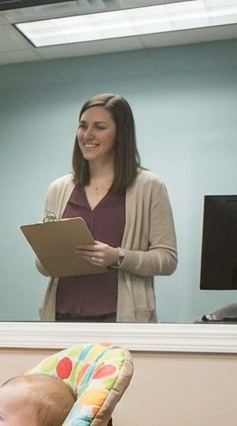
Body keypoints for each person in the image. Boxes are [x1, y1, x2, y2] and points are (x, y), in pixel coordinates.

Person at [37, 93, 177, 323]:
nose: (87, 135)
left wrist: (118, 257)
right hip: (61, 315)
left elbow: (167, 258)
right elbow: (44, 266)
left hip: (120, 318)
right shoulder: (58, 188)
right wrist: (48, 255)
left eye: (99, 127)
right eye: (83, 126)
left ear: (120, 134)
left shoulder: (149, 186)